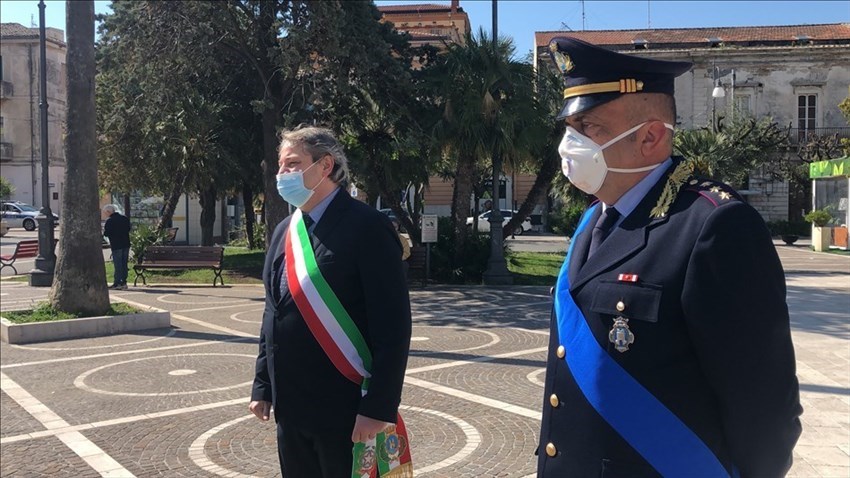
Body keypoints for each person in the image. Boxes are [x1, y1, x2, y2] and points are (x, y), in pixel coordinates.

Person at [538, 37, 802, 478]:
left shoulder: (714, 226)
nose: (571, 143)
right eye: (570, 127)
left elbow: (764, 407)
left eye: (591, 128)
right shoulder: (593, 222)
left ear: (650, 137)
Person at [249, 126, 413, 477]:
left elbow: (393, 326)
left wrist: (379, 407)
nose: (282, 175)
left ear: (325, 166)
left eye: (293, 164)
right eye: (280, 166)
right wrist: (263, 383)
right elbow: (273, 311)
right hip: (291, 406)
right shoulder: (284, 230)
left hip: (347, 408)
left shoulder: (368, 227)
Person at [102, 204, 131, 290]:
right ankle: (124, 282)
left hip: (116, 245)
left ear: (108, 212)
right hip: (126, 243)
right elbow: (129, 228)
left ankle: (117, 282)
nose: (105, 214)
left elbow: (106, 233)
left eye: (105, 213)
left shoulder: (110, 221)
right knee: (124, 263)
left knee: (118, 264)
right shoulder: (124, 218)